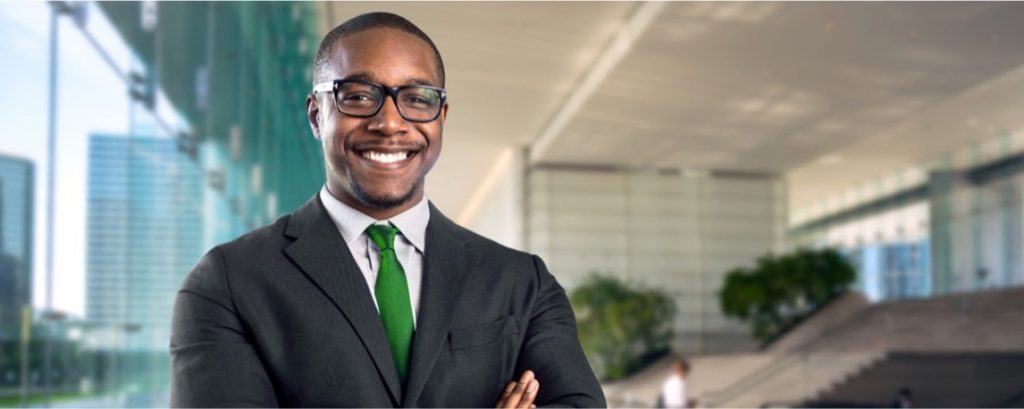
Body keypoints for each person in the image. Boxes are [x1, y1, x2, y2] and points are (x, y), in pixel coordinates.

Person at [168, 11, 605, 408]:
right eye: (357, 96)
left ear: (442, 118)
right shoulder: (229, 283)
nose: (390, 122)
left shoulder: (521, 283)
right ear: (317, 115)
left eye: (417, 98)